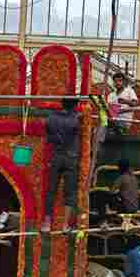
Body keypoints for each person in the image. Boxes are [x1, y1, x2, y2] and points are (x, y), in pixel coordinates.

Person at [43, 98, 81, 232]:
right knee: (69, 193)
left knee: (51, 191)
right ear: (75, 106)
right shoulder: (77, 119)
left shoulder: (51, 118)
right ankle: (65, 225)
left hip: (56, 156)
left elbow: (48, 134)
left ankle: (46, 224)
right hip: (71, 158)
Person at [101, 159, 139, 225]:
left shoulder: (122, 178)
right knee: (118, 197)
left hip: (126, 208)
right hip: (135, 207)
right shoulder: (134, 177)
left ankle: (104, 216)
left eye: (119, 167)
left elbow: (111, 191)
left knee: (105, 196)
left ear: (121, 168)